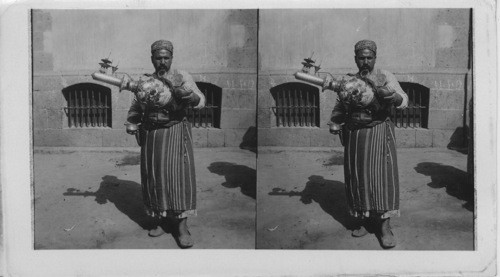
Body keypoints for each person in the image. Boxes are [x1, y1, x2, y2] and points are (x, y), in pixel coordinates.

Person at [324, 40, 408, 249]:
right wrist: (335, 121)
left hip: (379, 132)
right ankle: (363, 220)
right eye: (362, 57)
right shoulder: (349, 80)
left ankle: (385, 227)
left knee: (382, 178)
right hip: (355, 135)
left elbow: (404, 100)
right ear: (356, 59)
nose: (366, 61)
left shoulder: (385, 76)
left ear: (375, 58)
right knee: (358, 178)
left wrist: (394, 96)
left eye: (369, 57)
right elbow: (340, 105)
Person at [126, 40, 205, 248]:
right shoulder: (146, 80)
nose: (162, 61)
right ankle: (161, 220)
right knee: (155, 178)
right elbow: (136, 105)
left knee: (178, 178)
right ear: (152, 59)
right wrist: (133, 121)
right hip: (152, 134)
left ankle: (181, 228)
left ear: (171, 58)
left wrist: (191, 96)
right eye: (158, 58)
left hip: (176, 132)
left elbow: (201, 101)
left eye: (166, 58)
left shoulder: (182, 76)